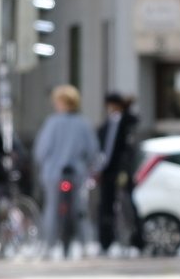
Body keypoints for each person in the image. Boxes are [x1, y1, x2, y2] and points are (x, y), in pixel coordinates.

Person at [33, 84, 100, 258]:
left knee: (52, 209)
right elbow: (92, 151)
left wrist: (43, 163)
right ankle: (86, 244)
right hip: (77, 173)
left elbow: (41, 150)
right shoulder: (83, 124)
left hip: (53, 173)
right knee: (79, 209)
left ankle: (48, 246)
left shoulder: (52, 123)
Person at [96, 91, 140, 254]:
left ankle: (136, 239)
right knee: (106, 206)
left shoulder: (128, 122)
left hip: (122, 170)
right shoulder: (109, 123)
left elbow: (128, 149)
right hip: (107, 171)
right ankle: (106, 241)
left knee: (128, 204)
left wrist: (124, 169)